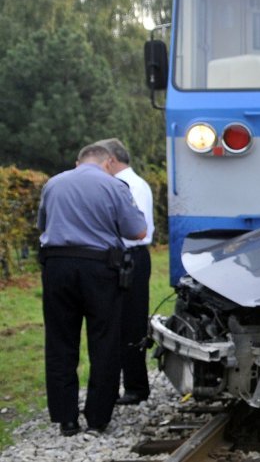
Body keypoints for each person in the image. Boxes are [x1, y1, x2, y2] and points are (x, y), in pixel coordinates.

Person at [37, 143, 147, 436]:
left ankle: (66, 419)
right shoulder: (114, 186)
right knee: (104, 340)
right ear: (107, 161)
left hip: (56, 267)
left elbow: (43, 225)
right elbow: (138, 231)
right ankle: (98, 418)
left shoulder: (53, 183)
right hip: (100, 269)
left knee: (60, 342)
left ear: (79, 161)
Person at [98, 138, 155, 406]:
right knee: (122, 322)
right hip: (128, 256)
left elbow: (135, 227)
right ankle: (130, 383)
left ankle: (135, 386)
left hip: (130, 256)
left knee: (131, 322)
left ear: (110, 160)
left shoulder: (129, 185)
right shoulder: (130, 183)